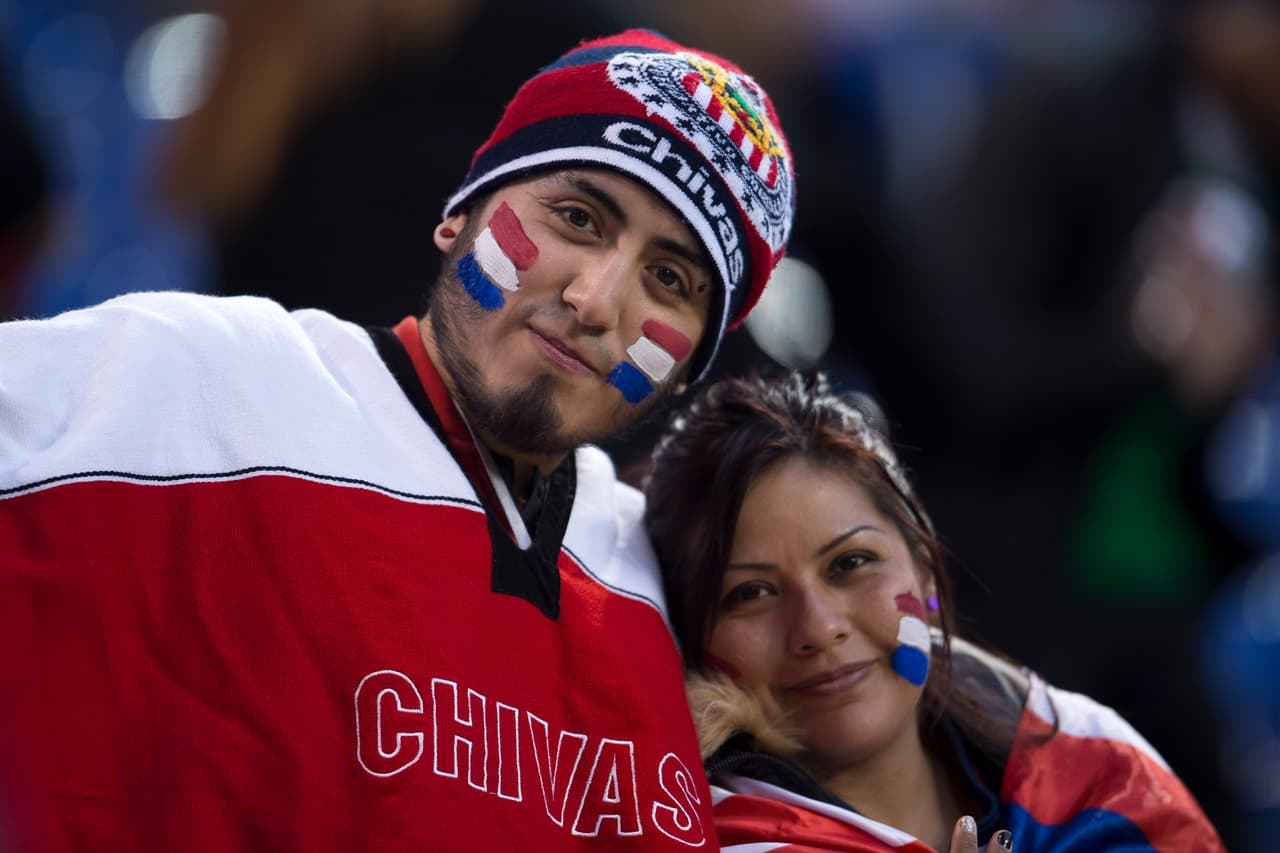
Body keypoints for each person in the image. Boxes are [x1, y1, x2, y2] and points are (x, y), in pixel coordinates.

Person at [0, 29, 795, 850]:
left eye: (668, 279)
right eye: (578, 217)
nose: (596, 298)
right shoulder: (202, 372)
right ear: (461, 214)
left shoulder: (678, 587)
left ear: (690, 365)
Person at [643, 371, 1226, 852]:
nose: (818, 629)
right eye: (751, 594)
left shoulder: (1095, 772)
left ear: (923, 569)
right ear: (689, 637)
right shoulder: (692, 841)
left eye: (850, 563)